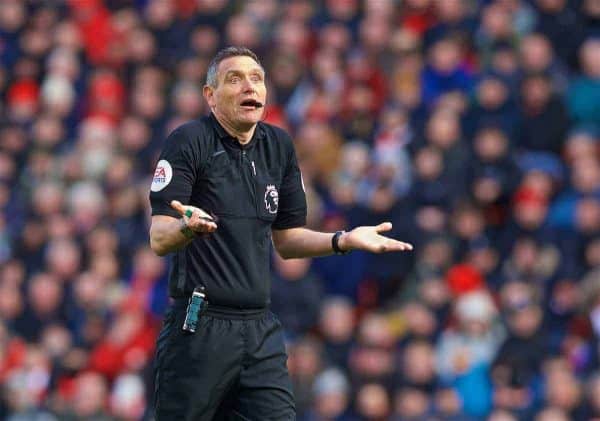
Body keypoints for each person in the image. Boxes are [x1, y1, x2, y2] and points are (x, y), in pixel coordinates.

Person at [148, 46, 413, 420]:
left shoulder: (279, 146)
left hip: (259, 327)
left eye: (256, 78)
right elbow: (159, 238)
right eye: (234, 79)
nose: (248, 87)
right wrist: (186, 227)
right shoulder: (188, 141)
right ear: (210, 96)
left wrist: (343, 240)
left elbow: (287, 241)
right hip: (200, 325)